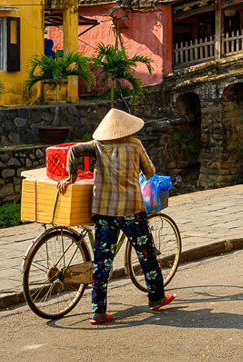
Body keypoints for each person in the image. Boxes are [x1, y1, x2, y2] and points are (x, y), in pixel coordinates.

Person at [57, 108, 175, 323]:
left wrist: (70, 178)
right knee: (147, 255)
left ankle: (98, 311)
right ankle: (157, 298)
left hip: (103, 212)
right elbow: (150, 172)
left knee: (102, 262)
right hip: (131, 210)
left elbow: (73, 150)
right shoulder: (135, 144)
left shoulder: (98, 145)